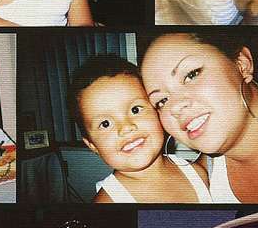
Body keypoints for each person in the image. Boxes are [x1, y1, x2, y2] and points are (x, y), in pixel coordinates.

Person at [141, 31, 258, 203]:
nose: (175, 107)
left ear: (241, 64)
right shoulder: (199, 186)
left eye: (191, 75)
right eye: (161, 101)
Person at [69, 55, 211, 203]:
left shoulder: (197, 174)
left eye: (135, 110)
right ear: (92, 145)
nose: (126, 127)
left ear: (157, 111)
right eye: (105, 124)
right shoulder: (107, 202)